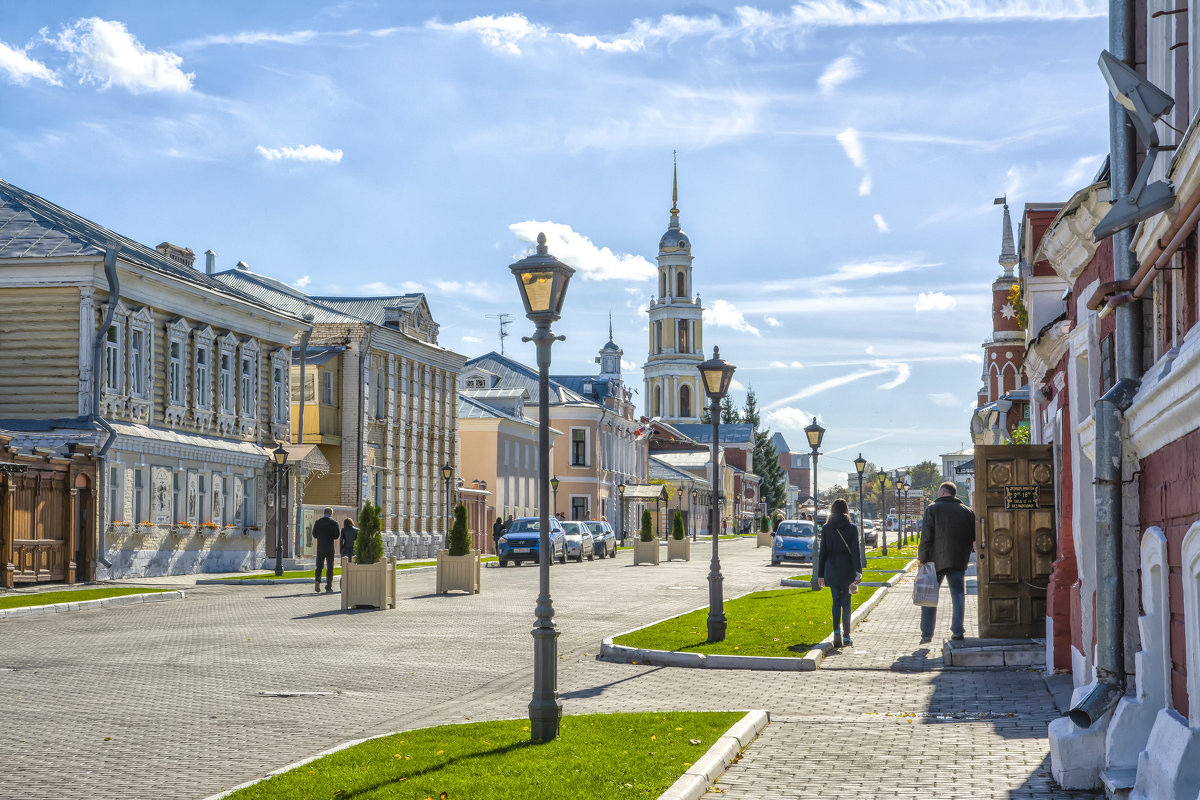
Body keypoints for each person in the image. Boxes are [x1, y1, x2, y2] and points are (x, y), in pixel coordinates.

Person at [917, 481, 977, 644]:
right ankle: (957, 631)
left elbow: (926, 537)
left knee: (929, 596)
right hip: (958, 560)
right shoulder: (967, 511)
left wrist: (922, 558)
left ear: (943, 492)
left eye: (938, 492)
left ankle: (927, 635)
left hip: (934, 560)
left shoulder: (932, 509)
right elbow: (973, 537)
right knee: (958, 595)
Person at [816, 498, 862, 650]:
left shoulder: (827, 528)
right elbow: (855, 551)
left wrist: (820, 575)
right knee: (847, 603)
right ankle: (847, 636)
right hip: (847, 570)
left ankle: (836, 631)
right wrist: (858, 572)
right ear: (846, 510)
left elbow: (822, 553)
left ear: (832, 510)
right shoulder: (852, 528)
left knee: (836, 600)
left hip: (832, 569)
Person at [311, 507, 339, 593]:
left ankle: (317, 580)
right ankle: (328, 586)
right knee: (330, 567)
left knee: (319, 566)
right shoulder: (334, 523)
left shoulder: (318, 522)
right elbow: (336, 536)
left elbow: (314, 534)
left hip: (320, 547)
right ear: (331, 513)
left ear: (324, 513)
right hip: (330, 547)